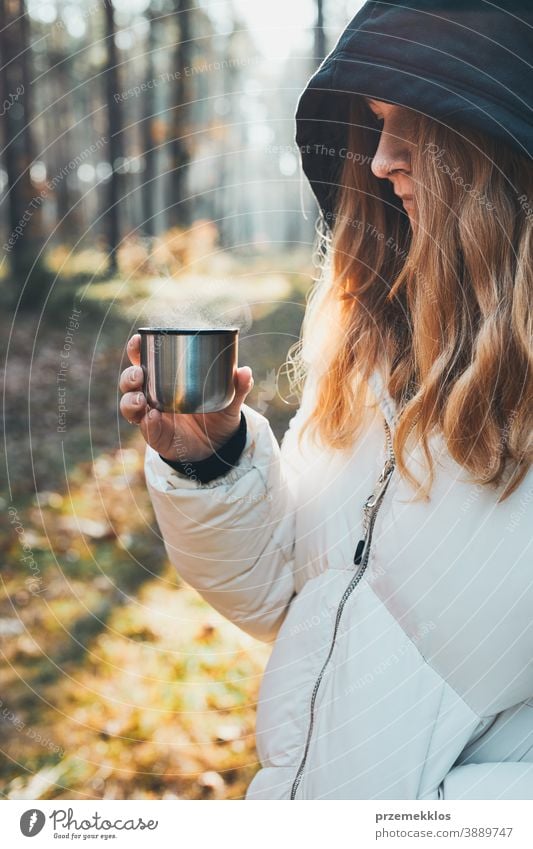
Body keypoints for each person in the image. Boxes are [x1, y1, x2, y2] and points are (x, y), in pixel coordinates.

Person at [119, 0, 533, 799]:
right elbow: (290, 592)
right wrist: (211, 459)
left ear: (501, 146)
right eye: (374, 124)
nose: (380, 160)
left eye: (415, 124)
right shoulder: (381, 352)